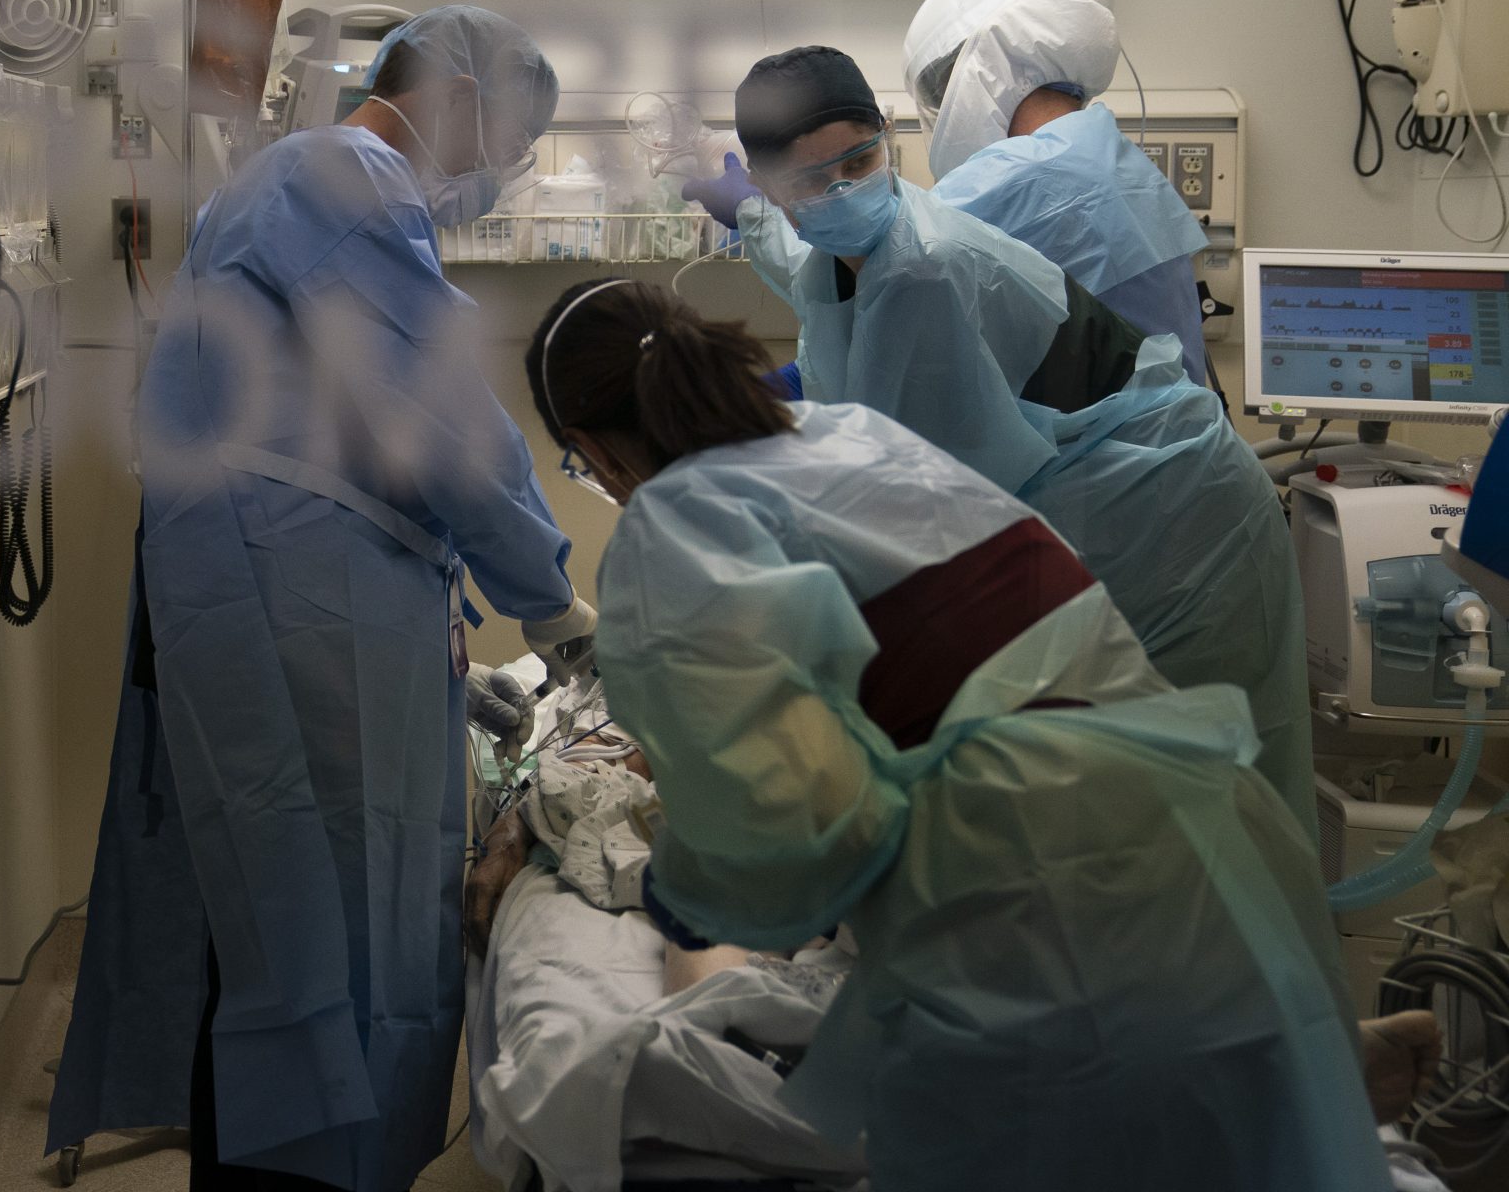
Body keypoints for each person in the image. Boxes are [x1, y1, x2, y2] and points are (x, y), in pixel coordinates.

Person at [514, 277, 1392, 1192]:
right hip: (1188, 812)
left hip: (1022, 871)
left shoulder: (672, 529)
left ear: (590, 450)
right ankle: (1306, 1069)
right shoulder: (849, 434)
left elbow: (790, 839)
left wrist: (687, 893)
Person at [48, 5, 596, 1192]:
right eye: (508, 141)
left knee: (272, 919)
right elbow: (438, 404)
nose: (499, 175)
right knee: (314, 930)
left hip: (279, 579)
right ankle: (301, 1172)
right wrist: (553, 600)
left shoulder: (314, 182)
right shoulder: (341, 174)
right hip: (285, 599)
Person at [680, 45, 1312, 829]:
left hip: (1177, 523)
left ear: (887, 137)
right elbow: (808, 252)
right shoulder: (853, 239)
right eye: (811, 181)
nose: (844, 191)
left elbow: (919, 522)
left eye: (860, 159)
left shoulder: (925, 268)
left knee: (1200, 804)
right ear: (777, 190)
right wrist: (740, 209)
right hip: (1105, 509)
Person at [903, 0, 1210, 383]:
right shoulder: (1105, 156)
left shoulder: (1010, 183)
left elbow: (889, 281)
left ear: (984, 67)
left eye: (939, 92)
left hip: (1089, 452)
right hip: (1176, 445)